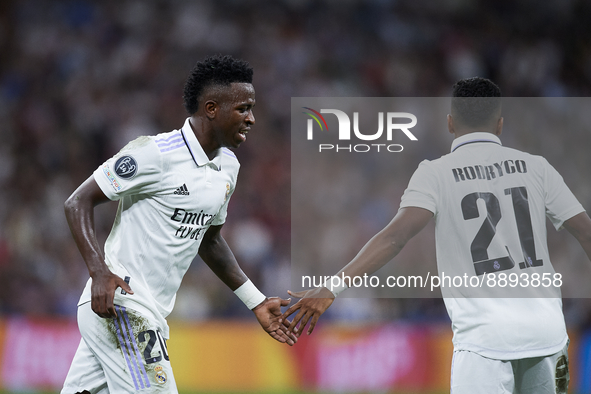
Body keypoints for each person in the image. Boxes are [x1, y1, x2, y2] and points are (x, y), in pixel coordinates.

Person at [283, 77, 591, 394]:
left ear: (449, 122)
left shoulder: (436, 173)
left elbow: (395, 237)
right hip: (547, 335)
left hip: (484, 343)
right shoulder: (537, 167)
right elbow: (585, 232)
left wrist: (332, 287)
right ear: (499, 125)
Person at [61, 55, 296, 394]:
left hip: (147, 313)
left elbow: (210, 240)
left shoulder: (228, 167)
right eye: (243, 109)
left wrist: (255, 301)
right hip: (124, 304)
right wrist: (98, 272)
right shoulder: (154, 153)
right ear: (212, 108)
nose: (252, 119)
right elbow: (78, 201)